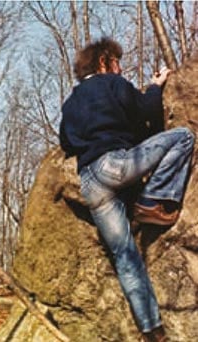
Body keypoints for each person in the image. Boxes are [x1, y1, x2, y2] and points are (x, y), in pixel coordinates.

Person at [59, 37, 194, 342]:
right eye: (117, 61)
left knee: (125, 256)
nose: (120, 67)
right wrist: (157, 84)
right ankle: (153, 201)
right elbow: (147, 110)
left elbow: (66, 143)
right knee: (183, 137)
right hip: (116, 165)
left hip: (92, 184)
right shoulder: (113, 83)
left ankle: (152, 330)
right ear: (105, 61)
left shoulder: (70, 103)